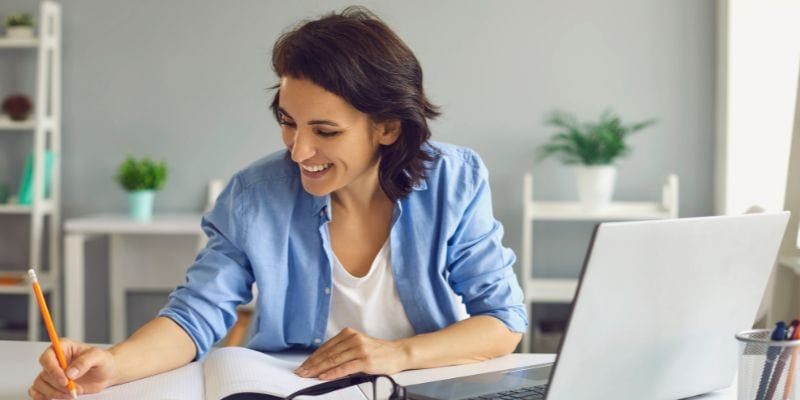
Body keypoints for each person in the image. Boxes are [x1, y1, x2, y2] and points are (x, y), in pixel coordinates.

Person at [29, 6, 527, 399]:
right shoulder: (255, 193)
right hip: (290, 389)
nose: (298, 150)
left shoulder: (452, 180)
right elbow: (194, 316)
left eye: (325, 131)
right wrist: (112, 364)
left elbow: (504, 322)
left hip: (417, 384)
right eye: (288, 121)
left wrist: (397, 354)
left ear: (388, 127)